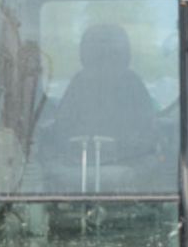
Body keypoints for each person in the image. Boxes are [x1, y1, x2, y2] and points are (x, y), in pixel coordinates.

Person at [51, 22, 156, 159]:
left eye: (111, 51)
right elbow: (61, 130)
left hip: (128, 162)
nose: (105, 56)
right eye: (100, 51)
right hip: (80, 163)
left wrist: (122, 147)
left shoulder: (132, 84)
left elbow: (148, 133)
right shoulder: (80, 83)